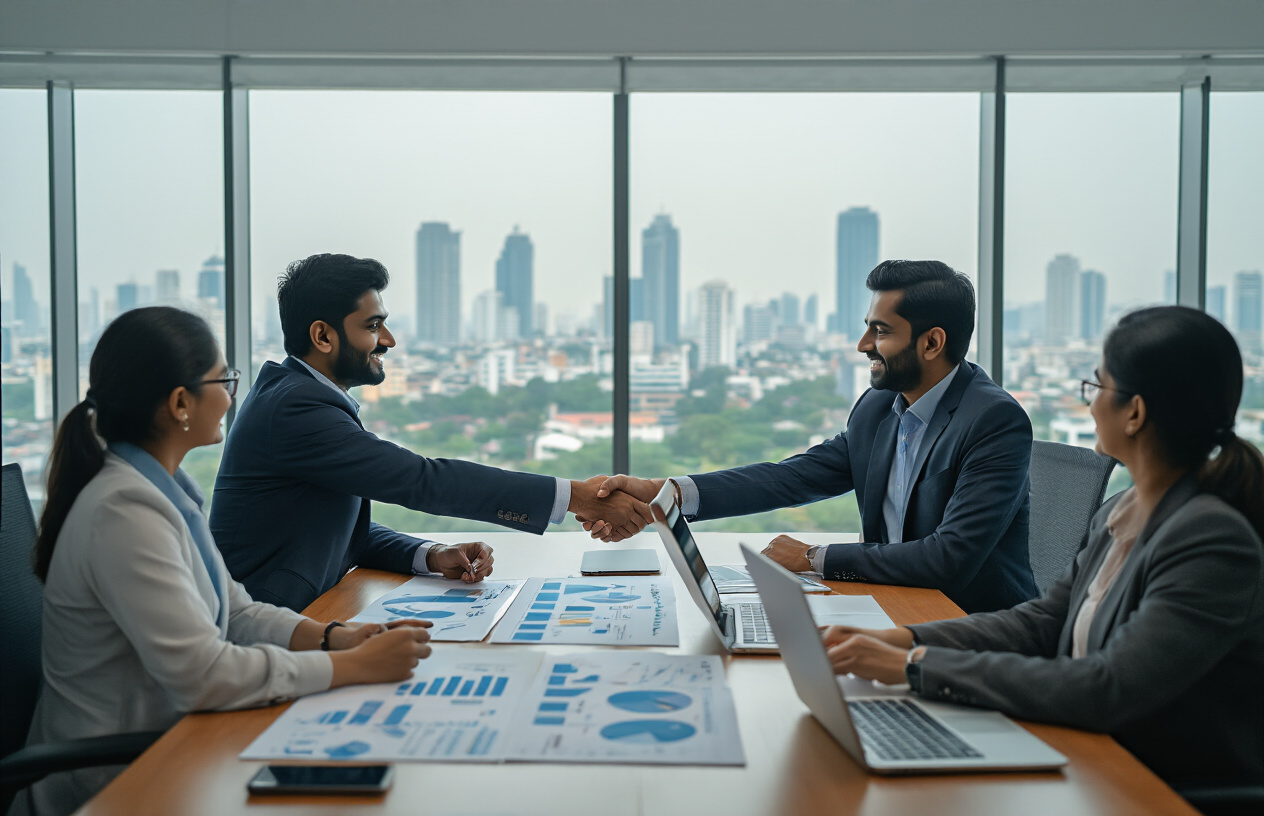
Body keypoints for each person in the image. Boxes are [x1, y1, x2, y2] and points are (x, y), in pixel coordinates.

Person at [817, 306, 1264, 791]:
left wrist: (916, 667)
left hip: (1155, 787)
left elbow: (1106, 688)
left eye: (1096, 388)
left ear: (1134, 413)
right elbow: (1042, 622)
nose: (1089, 405)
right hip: (1088, 756)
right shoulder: (1125, 510)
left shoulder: (1212, 541)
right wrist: (907, 640)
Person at [18, 307, 433, 816]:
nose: (232, 393)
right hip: (119, 782)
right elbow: (203, 675)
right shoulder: (122, 512)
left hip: (177, 744)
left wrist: (333, 638)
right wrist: (346, 668)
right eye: (223, 378)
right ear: (179, 403)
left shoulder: (164, 490)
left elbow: (237, 611)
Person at [591, 260, 1038, 613]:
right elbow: (790, 478)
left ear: (932, 343)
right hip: (891, 602)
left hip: (968, 626)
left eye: (880, 331)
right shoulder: (878, 407)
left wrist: (814, 557)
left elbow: (950, 558)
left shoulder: (994, 420)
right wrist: (662, 493)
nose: (863, 344)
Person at [210, 254, 650, 611]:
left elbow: (336, 523)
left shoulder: (296, 395)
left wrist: (428, 555)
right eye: (372, 325)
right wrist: (574, 496)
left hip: (309, 613)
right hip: (267, 630)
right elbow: (421, 480)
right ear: (322, 336)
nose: (388, 340)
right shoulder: (295, 408)